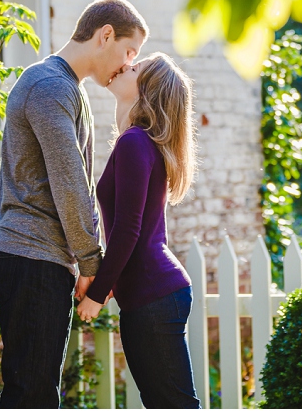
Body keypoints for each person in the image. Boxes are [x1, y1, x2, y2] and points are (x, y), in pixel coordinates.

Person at [0, 0, 148, 408]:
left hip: (41, 256)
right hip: (31, 255)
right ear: (105, 35)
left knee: (34, 390)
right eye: (130, 51)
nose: (129, 64)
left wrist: (80, 259)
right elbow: (69, 181)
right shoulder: (49, 86)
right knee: (33, 393)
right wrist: (92, 261)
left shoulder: (63, 87)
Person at [76, 52, 201, 409]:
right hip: (150, 294)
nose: (125, 67)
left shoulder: (135, 143)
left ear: (146, 91)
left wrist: (98, 293)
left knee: (174, 404)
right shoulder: (136, 141)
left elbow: (129, 229)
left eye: (135, 68)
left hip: (154, 295)